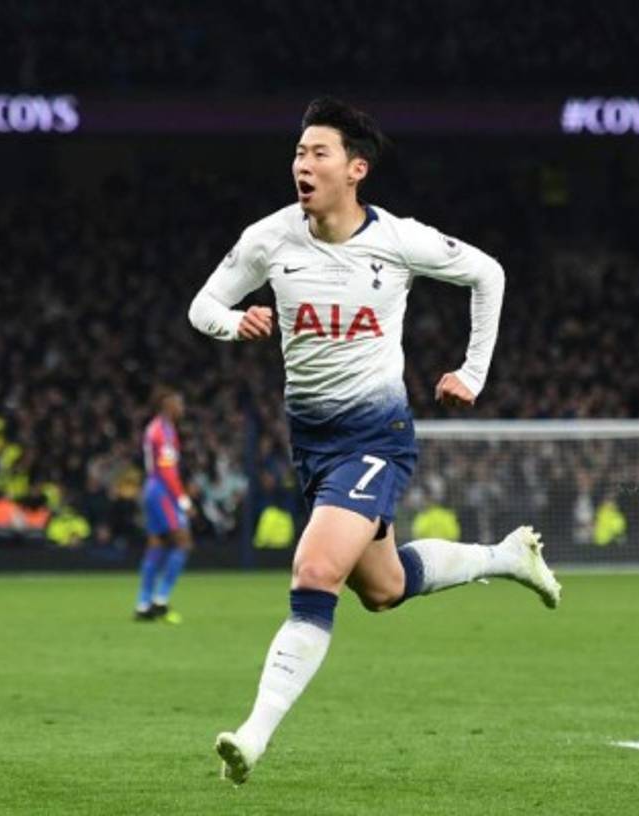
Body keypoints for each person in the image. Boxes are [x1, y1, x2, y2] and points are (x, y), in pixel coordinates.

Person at [188, 98, 561, 784]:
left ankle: (253, 735)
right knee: (383, 589)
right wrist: (231, 323)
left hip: (376, 434)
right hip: (312, 441)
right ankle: (505, 557)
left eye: (318, 153)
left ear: (355, 169)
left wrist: (472, 371)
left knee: (314, 572)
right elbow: (204, 304)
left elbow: (488, 273)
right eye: (299, 152)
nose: (302, 163)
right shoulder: (271, 238)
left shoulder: (399, 240)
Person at [133, 385, 194, 623]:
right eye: (178, 403)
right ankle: (160, 599)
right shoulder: (163, 431)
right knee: (183, 542)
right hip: (161, 491)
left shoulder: (157, 428)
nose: (182, 408)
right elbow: (167, 470)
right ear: (167, 405)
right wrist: (182, 499)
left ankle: (143, 603)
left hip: (152, 489)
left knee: (157, 545)